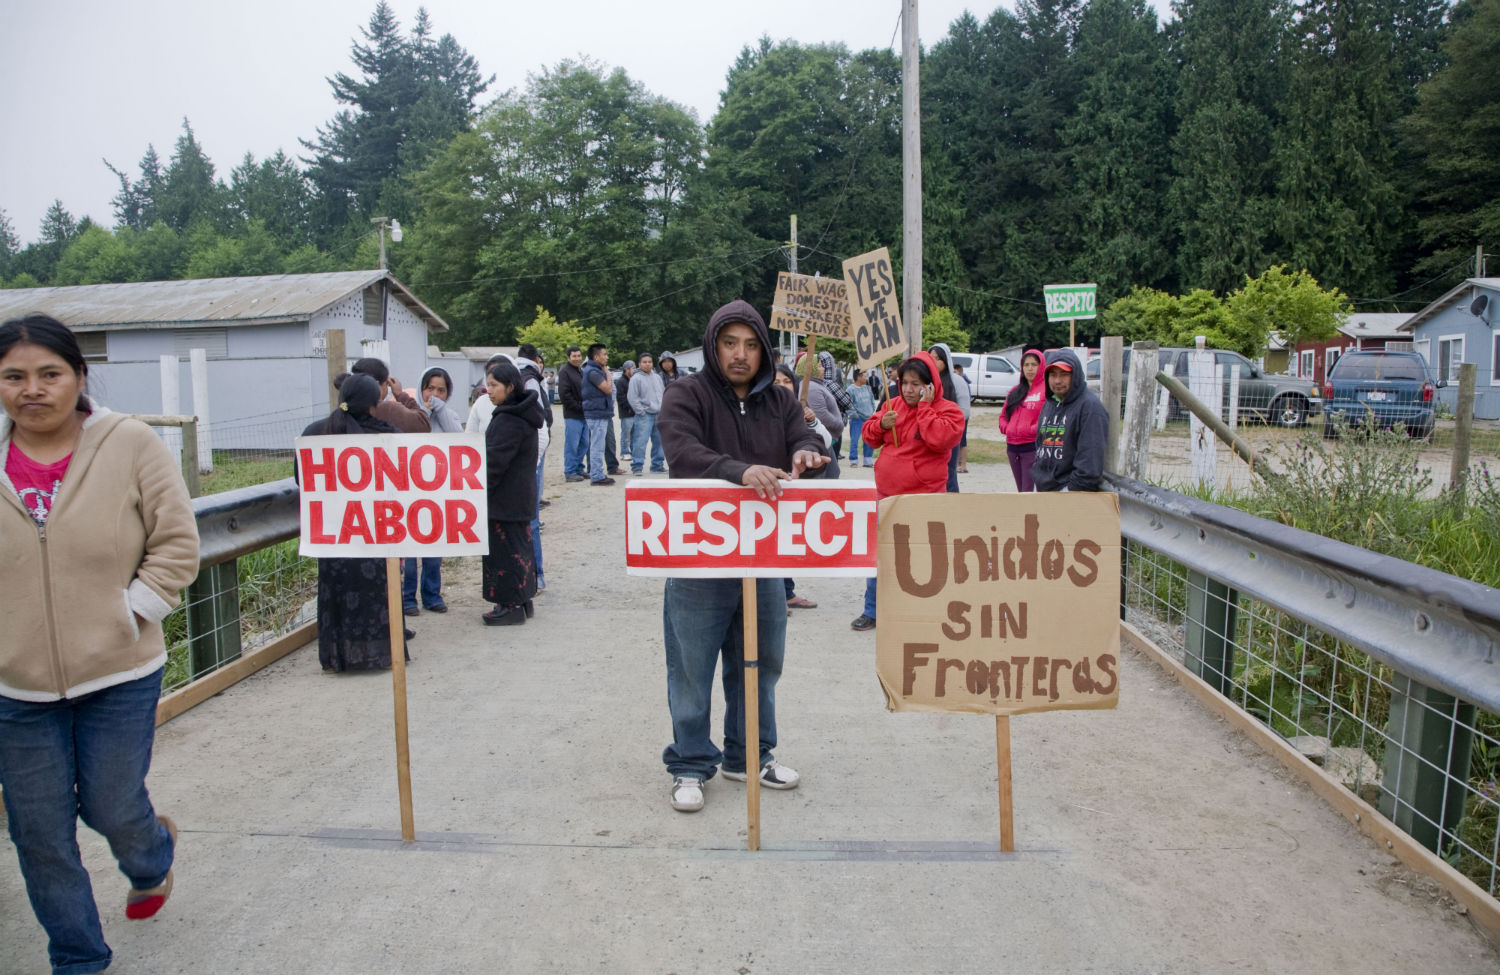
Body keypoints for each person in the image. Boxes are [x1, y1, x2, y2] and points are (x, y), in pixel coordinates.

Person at [0, 314, 199, 975]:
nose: (33, 389)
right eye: (14, 376)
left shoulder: (130, 443)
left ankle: (150, 856)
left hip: (119, 668)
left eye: (49, 373)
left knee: (112, 803)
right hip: (16, 685)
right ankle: (79, 957)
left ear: (80, 378)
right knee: (39, 832)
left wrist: (131, 610)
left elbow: (177, 541)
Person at [656, 300, 829, 813]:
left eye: (751, 345)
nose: (740, 354)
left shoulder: (780, 400)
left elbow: (807, 437)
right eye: (730, 343)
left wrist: (807, 453)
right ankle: (689, 763)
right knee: (691, 666)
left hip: (764, 558)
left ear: (763, 349)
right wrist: (738, 470)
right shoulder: (684, 394)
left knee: (761, 662)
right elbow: (681, 452)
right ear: (713, 345)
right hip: (698, 559)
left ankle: (748, 754)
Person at [301, 375, 411, 670]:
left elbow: (303, 481)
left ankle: (339, 658)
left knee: (338, 596)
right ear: (373, 406)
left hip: (335, 536)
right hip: (375, 534)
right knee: (376, 597)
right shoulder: (388, 435)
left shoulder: (314, 434)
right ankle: (380, 654)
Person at [851, 351, 965, 632]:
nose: (910, 390)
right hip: (886, 496)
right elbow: (869, 435)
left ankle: (927, 611)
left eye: (917, 384)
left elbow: (940, 440)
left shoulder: (949, 410)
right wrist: (880, 424)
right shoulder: (893, 404)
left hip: (924, 500)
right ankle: (872, 610)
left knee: (925, 557)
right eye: (905, 383)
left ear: (931, 384)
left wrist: (925, 409)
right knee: (881, 555)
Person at [481, 358, 542, 625]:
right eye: (487, 385)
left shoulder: (509, 419)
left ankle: (510, 605)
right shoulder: (523, 412)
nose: (489, 391)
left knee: (504, 553)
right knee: (520, 550)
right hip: (519, 497)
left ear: (509, 386)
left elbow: (493, 462)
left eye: (494, 385)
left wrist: (479, 487)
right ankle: (523, 599)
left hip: (505, 500)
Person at [772, 364, 833, 612]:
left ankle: (785, 593)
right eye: (775, 381)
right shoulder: (760, 411)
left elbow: (826, 442)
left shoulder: (801, 412)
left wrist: (811, 421)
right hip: (764, 487)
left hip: (791, 488)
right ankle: (772, 598)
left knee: (786, 542)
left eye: (786, 381)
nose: (781, 386)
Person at [403, 367, 462, 616]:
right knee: (409, 549)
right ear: (421, 388)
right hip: (410, 490)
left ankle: (432, 595)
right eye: (430, 388)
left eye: (441, 390)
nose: (434, 394)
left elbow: (458, 439)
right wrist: (424, 412)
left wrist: (440, 409)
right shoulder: (409, 414)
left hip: (437, 491)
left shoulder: (450, 415)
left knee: (434, 545)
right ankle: (407, 597)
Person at [1032, 348, 1109, 493]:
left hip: (1068, 493)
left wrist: (1070, 490)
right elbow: (1040, 446)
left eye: (1064, 374)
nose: (1057, 381)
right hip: (1043, 489)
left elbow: (1090, 462)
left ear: (1076, 376)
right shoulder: (1050, 404)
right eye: (1053, 375)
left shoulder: (1090, 408)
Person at [516, 345, 552, 591]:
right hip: (529, 458)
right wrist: (536, 459)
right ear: (536, 360)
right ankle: (535, 576)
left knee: (529, 519)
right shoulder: (529, 380)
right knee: (531, 519)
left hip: (529, 457)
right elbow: (540, 424)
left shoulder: (525, 377)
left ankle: (533, 576)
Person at [999, 349, 1046, 492]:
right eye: (1026, 365)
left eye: (1034, 364)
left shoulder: (1046, 391)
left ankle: (1031, 514)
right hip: (1012, 447)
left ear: (1041, 366)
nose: (1030, 368)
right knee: (1021, 489)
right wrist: (1008, 429)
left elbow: (1047, 417)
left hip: (1032, 446)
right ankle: (1024, 513)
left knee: (1028, 490)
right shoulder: (1015, 391)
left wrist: (1031, 430)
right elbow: (1003, 417)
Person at [350, 356, 430, 433]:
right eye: (387, 384)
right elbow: (423, 424)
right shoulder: (388, 409)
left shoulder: (345, 409)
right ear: (377, 385)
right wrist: (400, 394)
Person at [926, 343, 965, 491]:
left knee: (949, 473)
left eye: (937, 358)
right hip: (930, 433)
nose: (933, 362)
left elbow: (965, 411)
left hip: (950, 435)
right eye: (931, 358)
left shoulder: (956, 381)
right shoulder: (925, 382)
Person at [581, 343, 617, 486]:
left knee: (597, 444)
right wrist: (607, 373)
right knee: (597, 445)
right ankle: (596, 475)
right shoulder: (593, 372)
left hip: (599, 412)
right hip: (596, 413)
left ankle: (597, 473)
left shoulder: (593, 370)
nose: (607, 357)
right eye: (604, 354)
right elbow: (607, 389)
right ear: (596, 357)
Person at [627, 351, 667, 475]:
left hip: (659, 414)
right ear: (639, 364)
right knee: (640, 441)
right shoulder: (636, 378)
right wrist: (641, 412)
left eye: (649, 362)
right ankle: (637, 467)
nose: (647, 364)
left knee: (659, 442)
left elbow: (663, 393)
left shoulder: (657, 377)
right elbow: (632, 398)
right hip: (644, 415)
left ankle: (657, 465)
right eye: (644, 362)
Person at [557, 346, 588, 482]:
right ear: (568, 357)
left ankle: (579, 468)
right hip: (572, 415)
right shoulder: (565, 372)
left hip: (584, 415)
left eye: (579, 356)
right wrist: (578, 407)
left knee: (584, 444)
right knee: (572, 444)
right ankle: (570, 471)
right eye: (574, 356)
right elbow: (565, 394)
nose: (577, 358)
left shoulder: (580, 371)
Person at [846, 368, 877, 467]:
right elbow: (847, 404)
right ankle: (853, 460)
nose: (866, 378)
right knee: (854, 440)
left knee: (869, 439)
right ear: (859, 377)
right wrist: (855, 415)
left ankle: (867, 460)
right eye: (864, 376)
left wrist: (872, 410)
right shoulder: (850, 389)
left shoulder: (867, 388)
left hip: (868, 418)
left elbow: (872, 399)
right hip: (857, 419)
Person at [952, 363, 974, 472]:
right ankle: (956, 464)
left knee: (962, 441)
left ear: (960, 372)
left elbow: (966, 401)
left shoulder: (963, 383)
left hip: (962, 416)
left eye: (955, 372)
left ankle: (963, 464)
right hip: (956, 415)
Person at [616, 359, 636, 464]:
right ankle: (624, 452)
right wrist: (630, 407)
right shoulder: (621, 381)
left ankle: (634, 452)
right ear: (626, 369)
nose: (634, 370)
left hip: (635, 412)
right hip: (626, 413)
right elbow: (620, 398)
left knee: (635, 434)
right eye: (632, 368)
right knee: (626, 434)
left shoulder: (634, 379)